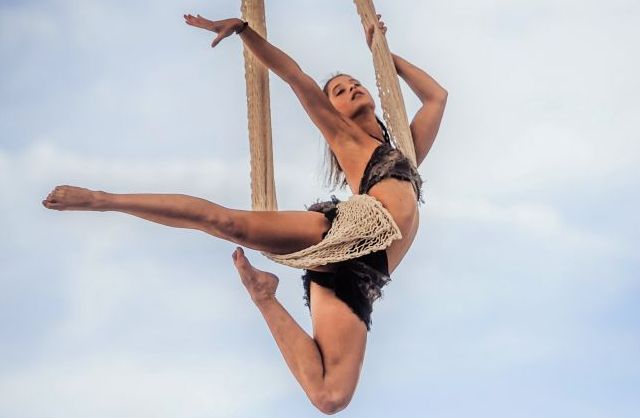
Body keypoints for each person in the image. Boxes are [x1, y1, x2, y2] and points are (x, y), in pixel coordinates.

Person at [42, 13, 447, 414]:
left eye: (355, 82)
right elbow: (295, 77)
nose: (351, 87)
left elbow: (436, 97)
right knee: (226, 223)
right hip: (348, 231)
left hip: (361, 273)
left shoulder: (406, 153)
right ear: (333, 112)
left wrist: (383, 55)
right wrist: (243, 31)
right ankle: (102, 199)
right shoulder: (346, 138)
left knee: (329, 397)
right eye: (339, 90)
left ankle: (263, 296)